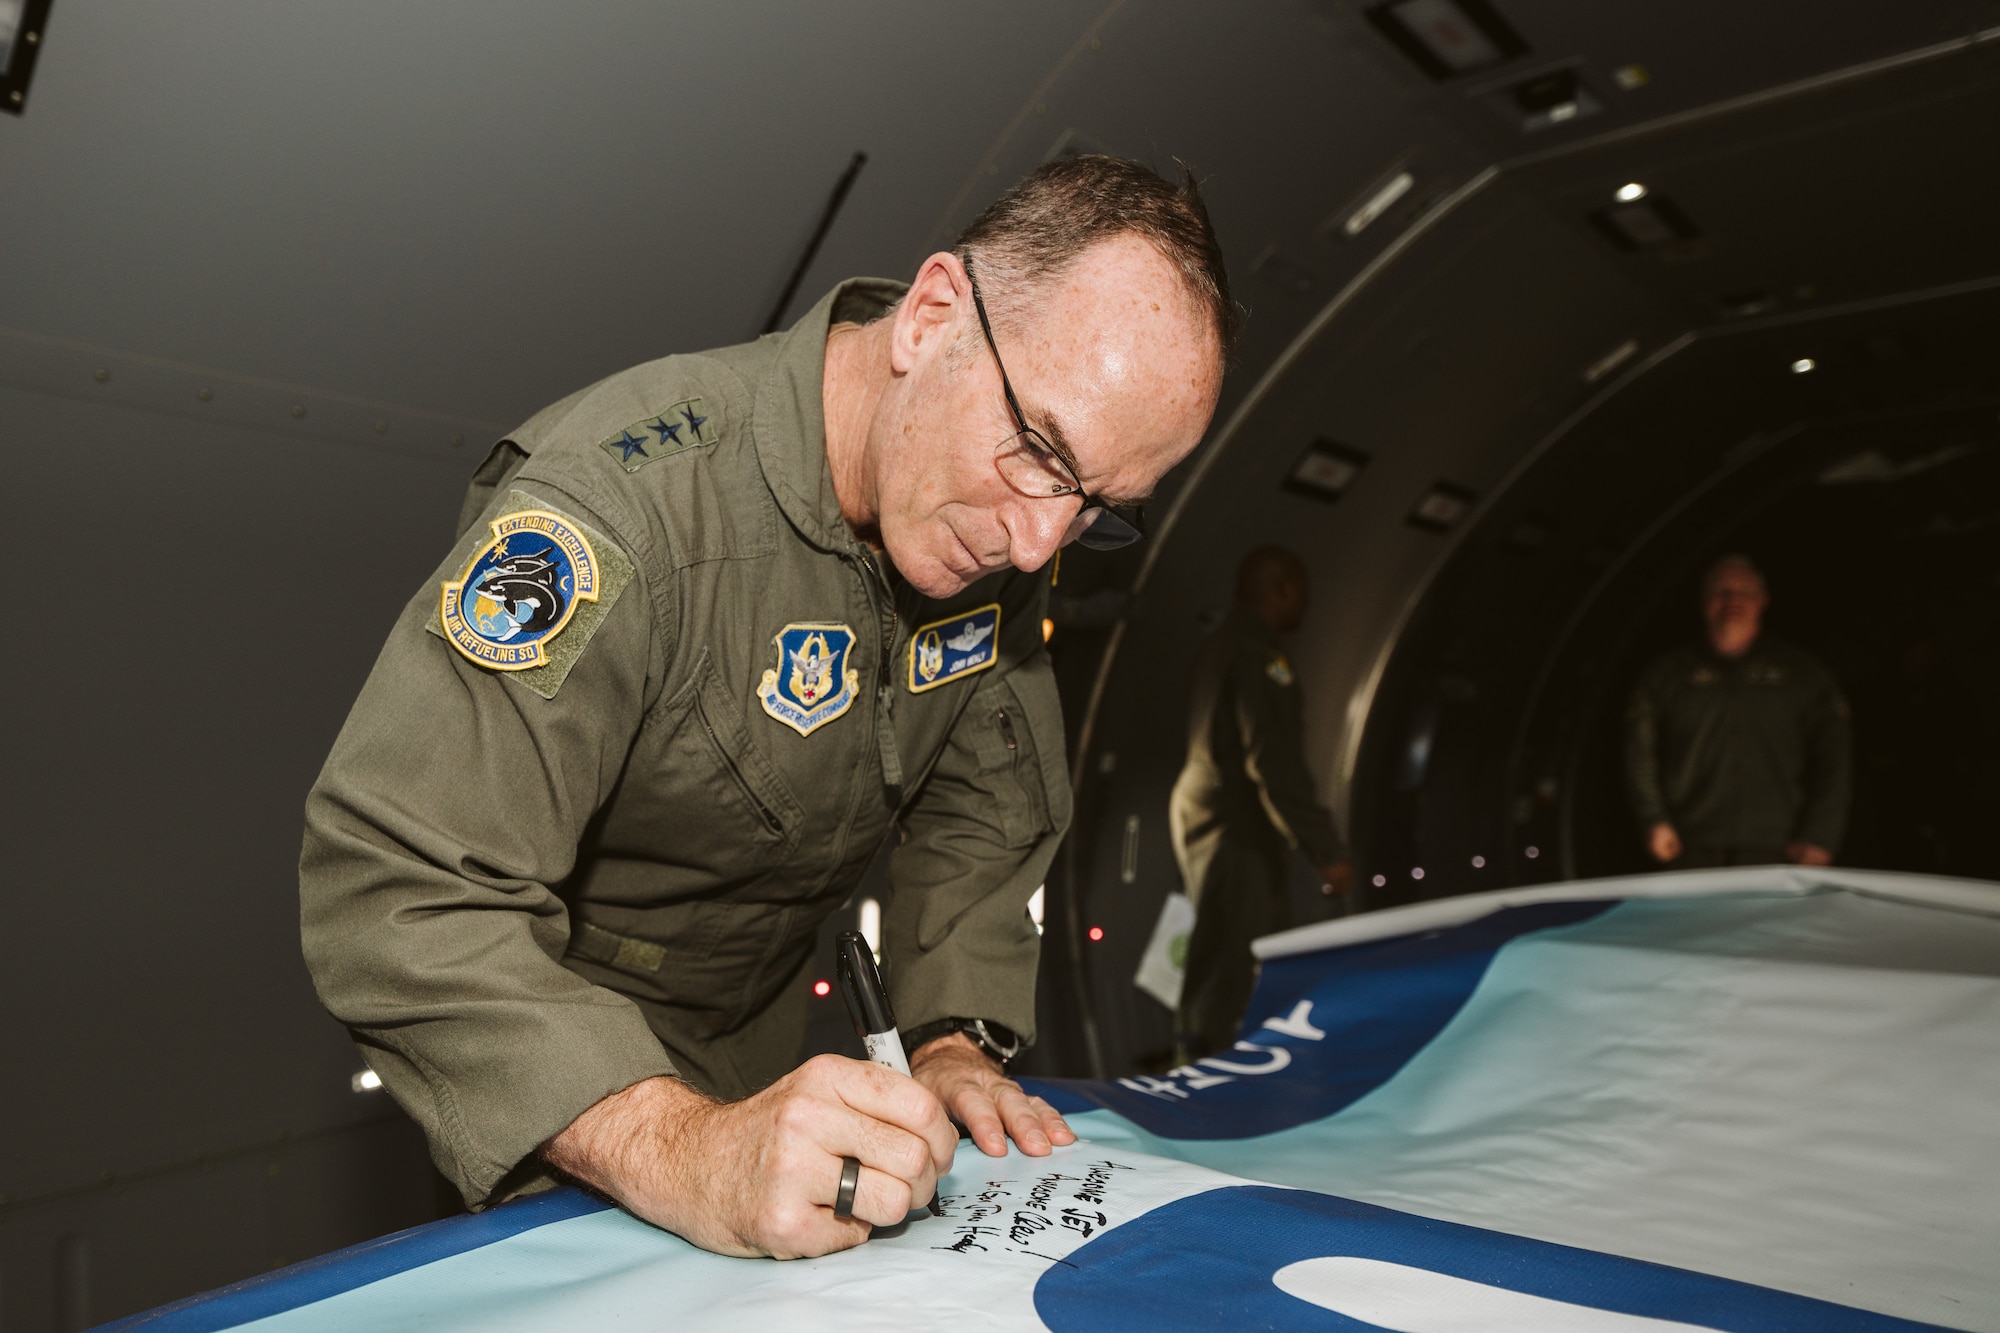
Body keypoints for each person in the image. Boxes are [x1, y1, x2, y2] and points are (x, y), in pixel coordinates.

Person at [299, 156, 1232, 1260]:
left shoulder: (994, 516)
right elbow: (398, 883)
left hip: (768, 1049)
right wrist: (674, 1142)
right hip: (556, 1077)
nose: (1037, 544)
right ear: (931, 316)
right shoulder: (622, 511)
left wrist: (948, 1037)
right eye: (1040, 454)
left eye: (1096, 510)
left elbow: (988, 794)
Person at [1168, 546, 1353, 1059]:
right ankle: (1211, 1075)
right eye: (1303, 594)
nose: (1306, 607)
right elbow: (1273, 762)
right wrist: (1326, 849)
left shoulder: (1221, 641)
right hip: (1237, 824)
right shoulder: (1258, 651)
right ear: (1281, 589)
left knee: (1217, 950)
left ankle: (1198, 1061)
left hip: (1206, 814)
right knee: (1236, 961)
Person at [1625, 554, 1852, 869]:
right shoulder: (1666, 675)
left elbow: (1834, 761)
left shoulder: (1802, 675)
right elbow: (1640, 756)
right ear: (1703, 601)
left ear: (1762, 600)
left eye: (1744, 591)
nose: (1732, 600)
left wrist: (1821, 834)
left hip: (1780, 849)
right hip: (1688, 847)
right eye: (1721, 592)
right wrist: (1653, 820)